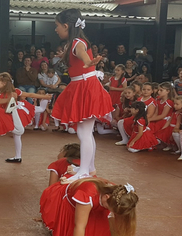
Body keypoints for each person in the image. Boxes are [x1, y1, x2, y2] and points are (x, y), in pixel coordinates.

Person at [51, 9, 113, 181]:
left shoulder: (78, 42)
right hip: (83, 85)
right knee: (86, 132)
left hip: (85, 87)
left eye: (57, 26)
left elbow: (83, 55)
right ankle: (89, 168)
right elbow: (78, 57)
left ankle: (84, 171)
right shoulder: (74, 43)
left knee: (84, 133)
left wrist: (88, 62)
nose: (55, 29)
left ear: (65, 26)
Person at [40, 178, 138, 236]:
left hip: (91, 200)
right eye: (109, 208)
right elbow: (79, 226)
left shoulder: (118, 195)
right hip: (69, 203)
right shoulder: (87, 195)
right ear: (106, 197)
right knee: (77, 228)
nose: (109, 211)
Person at [0, 72, 51, 163]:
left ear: (4, 83)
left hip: (13, 113)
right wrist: (45, 97)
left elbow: (30, 95)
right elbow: (30, 95)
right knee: (17, 135)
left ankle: (18, 156)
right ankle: (18, 156)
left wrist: (44, 96)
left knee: (17, 133)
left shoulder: (6, 93)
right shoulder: (10, 92)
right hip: (13, 112)